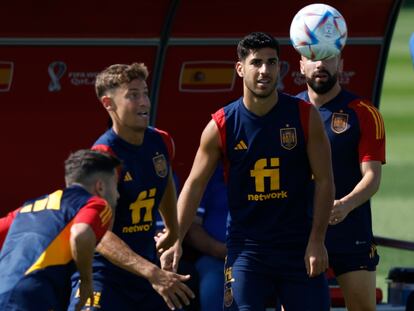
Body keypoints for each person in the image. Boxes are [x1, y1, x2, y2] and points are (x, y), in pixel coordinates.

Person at [162, 32, 335, 310]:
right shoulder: (221, 124)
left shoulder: (305, 116)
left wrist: (317, 240)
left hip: (298, 247)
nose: (265, 70)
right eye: (256, 63)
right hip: (247, 251)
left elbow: (325, 181)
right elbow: (194, 186)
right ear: (240, 69)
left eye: (271, 62)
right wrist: (176, 239)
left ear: (280, 67)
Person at [69, 62, 195, 311]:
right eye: (132, 95)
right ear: (108, 104)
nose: (144, 102)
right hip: (103, 275)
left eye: (145, 93)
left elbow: (164, 181)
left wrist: (172, 229)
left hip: (144, 271)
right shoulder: (103, 158)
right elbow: (101, 235)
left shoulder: (161, 141)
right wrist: (153, 273)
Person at [296, 53, 386, 311]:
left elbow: (372, 176)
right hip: (301, 233)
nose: (321, 65)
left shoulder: (364, 112)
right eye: (312, 58)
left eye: (328, 58)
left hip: (350, 230)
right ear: (301, 65)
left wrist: (345, 205)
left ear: (341, 64)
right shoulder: (288, 111)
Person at [0, 149, 121, 311]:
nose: (118, 195)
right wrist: (86, 281)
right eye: (115, 185)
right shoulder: (95, 203)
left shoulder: (28, 207)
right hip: (33, 297)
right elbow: (81, 234)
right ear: (100, 186)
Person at [185, 164, 228, 311]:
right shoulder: (210, 175)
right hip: (215, 258)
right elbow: (191, 228)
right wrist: (221, 250)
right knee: (212, 284)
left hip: (260, 255)